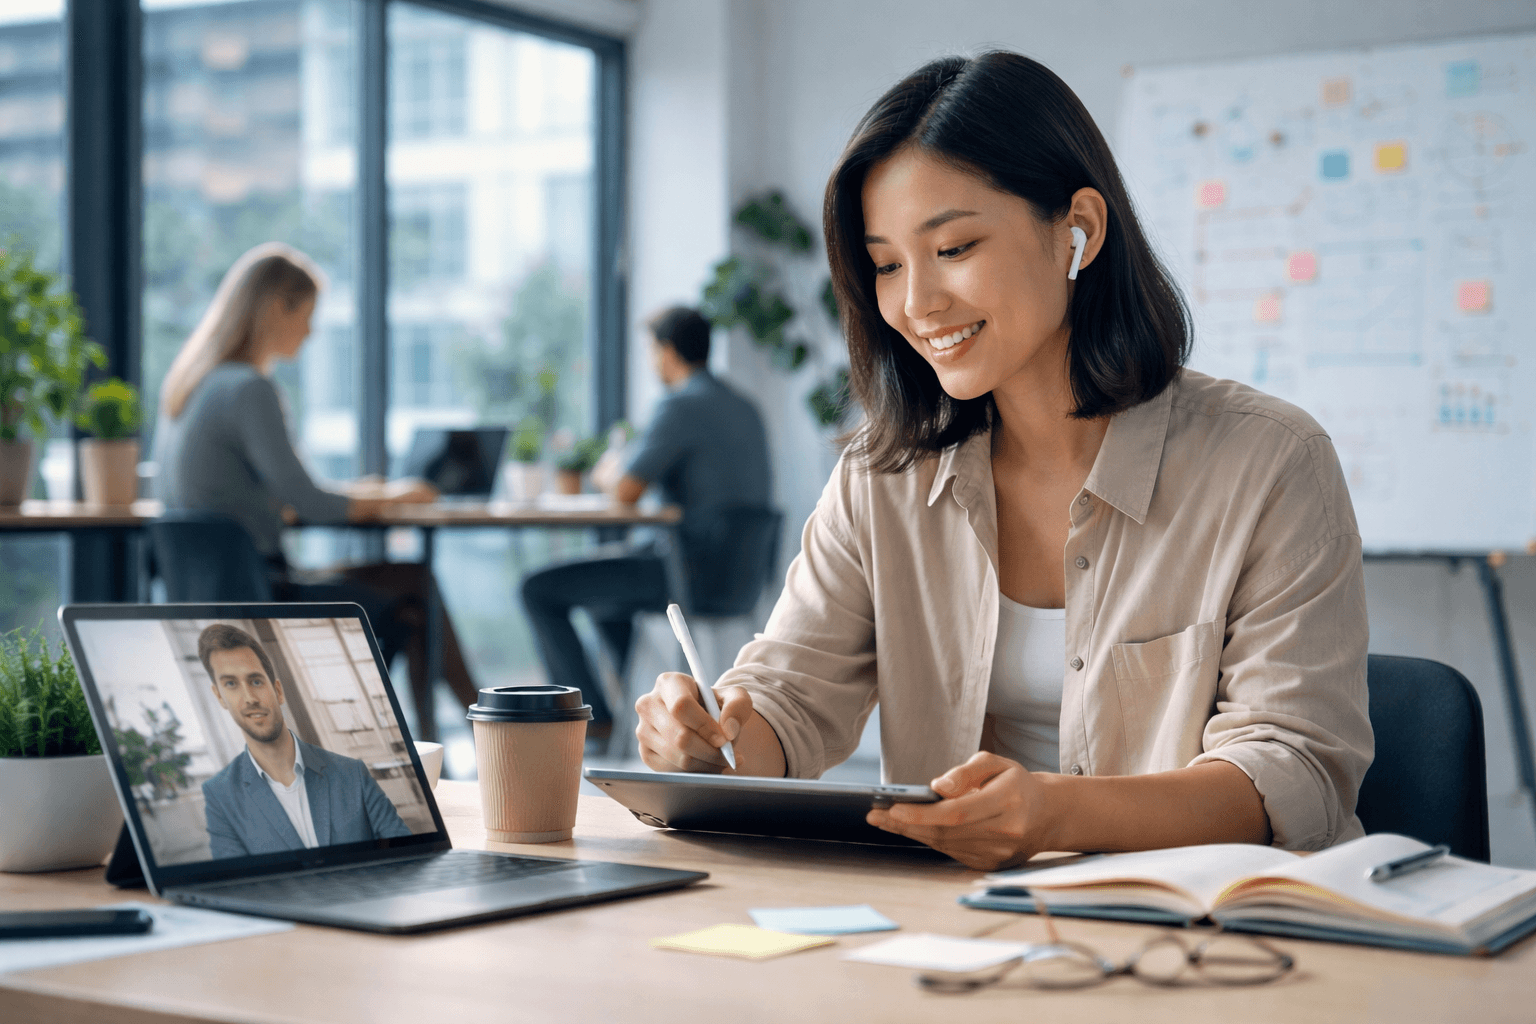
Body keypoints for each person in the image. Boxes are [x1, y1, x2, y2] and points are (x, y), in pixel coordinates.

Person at [633, 52, 1373, 871]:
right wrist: (711, 739)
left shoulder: (1271, 461)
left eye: (952, 247)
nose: (916, 304)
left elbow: (1294, 771)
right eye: (886, 264)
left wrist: (1059, 814)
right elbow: (792, 702)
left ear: (1078, 231)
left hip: (1209, 944)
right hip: (959, 934)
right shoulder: (883, 478)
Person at [154, 242, 479, 708]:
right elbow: (310, 503)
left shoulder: (189, 387)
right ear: (275, 308)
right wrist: (397, 496)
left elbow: (269, 493)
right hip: (262, 594)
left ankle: (457, 731)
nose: (311, 330)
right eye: (307, 313)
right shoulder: (250, 389)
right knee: (416, 586)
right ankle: (480, 723)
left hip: (209, 595)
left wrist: (366, 494)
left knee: (411, 592)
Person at [520, 306, 771, 738]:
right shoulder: (745, 406)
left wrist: (606, 468)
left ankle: (594, 722)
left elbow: (625, 489)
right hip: (739, 575)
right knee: (603, 601)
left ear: (667, 351)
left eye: (653, 350)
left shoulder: (680, 405)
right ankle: (629, 715)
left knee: (537, 588)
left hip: (688, 571)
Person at [197, 623, 411, 859]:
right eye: (231, 684)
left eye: (256, 681)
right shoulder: (220, 795)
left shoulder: (352, 774)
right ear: (220, 697)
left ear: (278, 691)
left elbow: (410, 854)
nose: (249, 698)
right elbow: (235, 885)